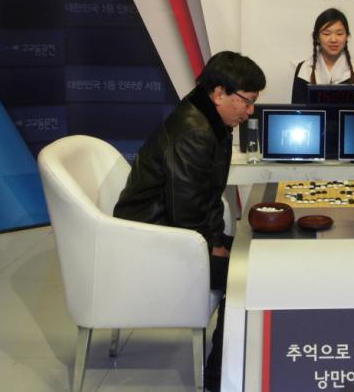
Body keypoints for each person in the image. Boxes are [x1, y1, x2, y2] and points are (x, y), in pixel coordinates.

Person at [113, 51, 266, 392]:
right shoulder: (193, 131)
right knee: (245, 277)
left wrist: (218, 239)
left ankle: (245, 359)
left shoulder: (209, 119)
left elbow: (203, 195)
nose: (250, 111)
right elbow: (186, 211)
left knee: (256, 255)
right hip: (154, 242)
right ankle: (219, 377)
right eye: (247, 101)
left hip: (174, 231)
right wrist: (214, 246)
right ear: (219, 93)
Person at [291, 7, 354, 104]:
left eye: (339, 33)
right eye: (326, 33)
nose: (333, 39)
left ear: (347, 36)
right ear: (317, 37)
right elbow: (297, 111)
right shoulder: (304, 69)